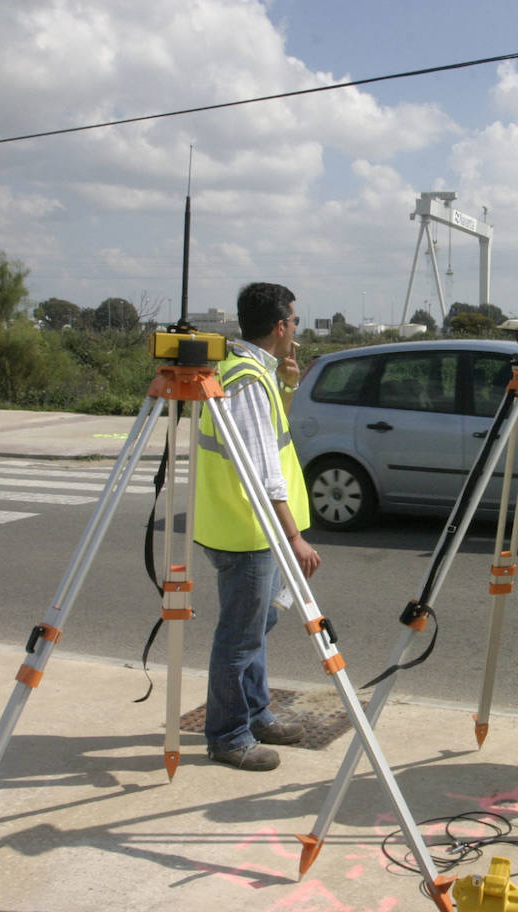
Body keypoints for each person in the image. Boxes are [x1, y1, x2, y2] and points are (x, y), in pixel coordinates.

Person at [194, 282, 321, 772]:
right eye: (295, 322)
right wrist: (293, 535)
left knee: (254, 628)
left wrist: (288, 385)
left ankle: (256, 713)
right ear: (280, 326)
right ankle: (228, 735)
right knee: (241, 637)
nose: (296, 332)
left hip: (252, 528)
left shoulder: (251, 371)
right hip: (249, 531)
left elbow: (269, 439)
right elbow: (263, 470)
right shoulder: (246, 378)